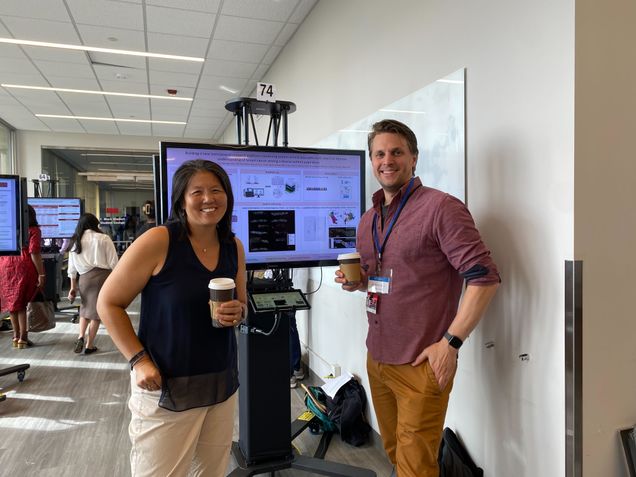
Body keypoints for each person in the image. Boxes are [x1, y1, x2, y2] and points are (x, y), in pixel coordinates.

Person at [335, 119, 500, 477]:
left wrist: (450, 343)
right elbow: (381, 279)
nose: (387, 160)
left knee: (415, 467)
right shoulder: (367, 221)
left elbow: (484, 278)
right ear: (371, 160)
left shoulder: (441, 208)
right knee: (397, 454)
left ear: (413, 159)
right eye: (379, 153)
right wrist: (358, 282)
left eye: (396, 152)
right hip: (377, 359)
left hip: (420, 362)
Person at [97, 159, 247, 477]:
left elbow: (242, 304)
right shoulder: (159, 241)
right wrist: (138, 360)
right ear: (181, 199)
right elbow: (108, 303)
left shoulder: (233, 246)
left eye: (216, 190)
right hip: (165, 386)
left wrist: (238, 311)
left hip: (219, 383)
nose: (208, 198)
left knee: (210, 472)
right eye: (198, 192)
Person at [67, 213, 118, 354]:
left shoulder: (75, 241)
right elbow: (114, 263)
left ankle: (80, 336)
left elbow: (71, 269)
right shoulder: (103, 238)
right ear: (95, 224)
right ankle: (89, 345)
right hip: (102, 278)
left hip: (83, 279)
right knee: (96, 313)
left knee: (84, 310)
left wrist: (73, 288)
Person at [0, 205, 45, 349]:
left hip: (5, 264)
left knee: (12, 304)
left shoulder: (8, 228)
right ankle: (23, 338)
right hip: (23, 265)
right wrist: (41, 274)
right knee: (22, 304)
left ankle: (15, 336)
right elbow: (34, 253)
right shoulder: (33, 230)